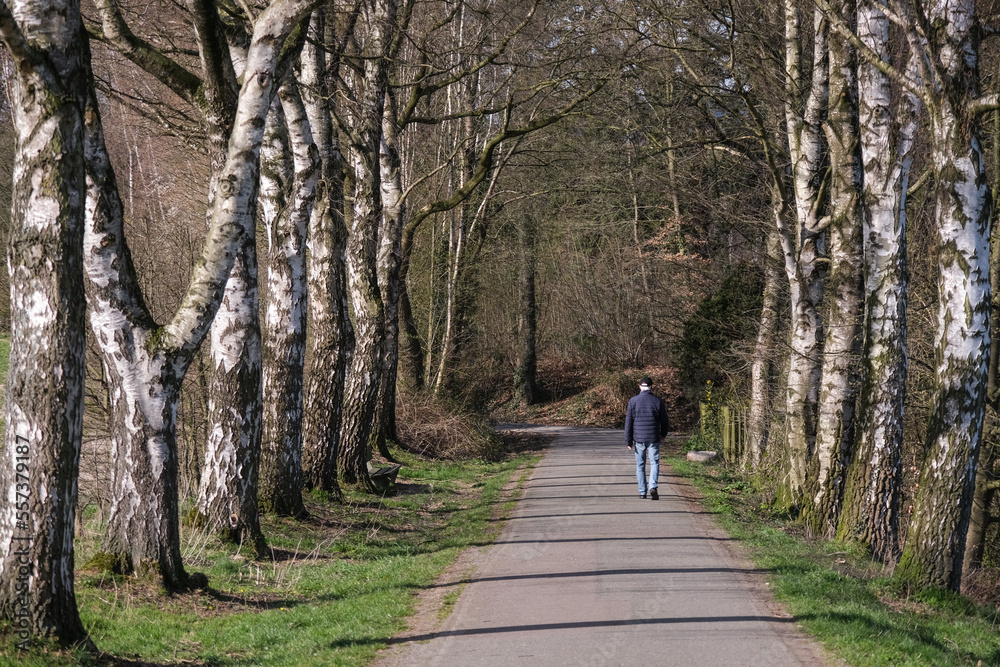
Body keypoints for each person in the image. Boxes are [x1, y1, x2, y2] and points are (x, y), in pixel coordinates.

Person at [624, 376, 670, 499]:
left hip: (639, 438)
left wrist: (628, 440)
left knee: (640, 465)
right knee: (654, 462)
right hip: (654, 437)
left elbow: (629, 421)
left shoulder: (633, 401)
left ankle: (642, 492)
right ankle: (653, 486)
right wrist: (663, 434)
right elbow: (664, 420)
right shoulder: (657, 401)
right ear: (651, 387)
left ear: (640, 387)